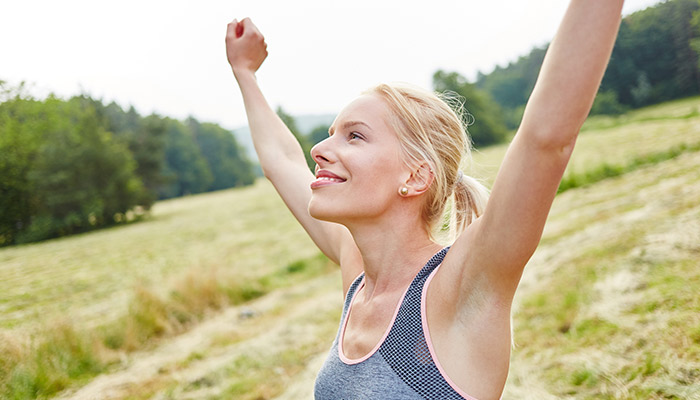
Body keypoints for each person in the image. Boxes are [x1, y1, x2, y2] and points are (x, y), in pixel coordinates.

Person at [225, 1, 624, 398]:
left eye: (355, 136)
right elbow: (281, 160)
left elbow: (547, 138)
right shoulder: (358, 277)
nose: (319, 149)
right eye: (330, 133)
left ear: (415, 176)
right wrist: (245, 73)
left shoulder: (463, 283)